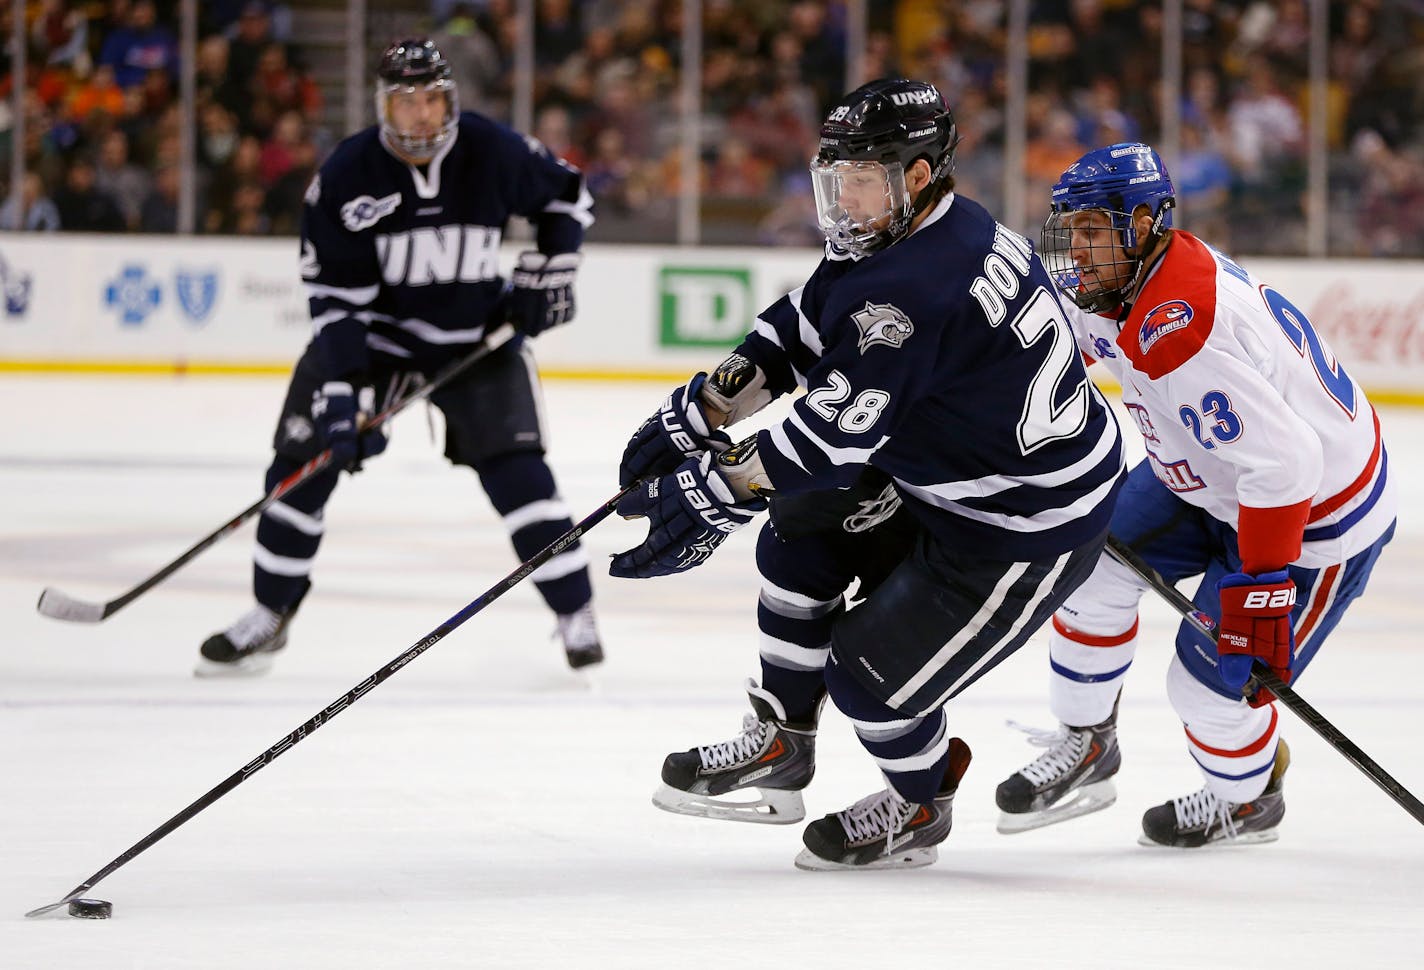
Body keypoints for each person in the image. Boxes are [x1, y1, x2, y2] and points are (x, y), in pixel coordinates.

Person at [610, 78, 1126, 870]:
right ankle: (782, 741)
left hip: (1022, 529)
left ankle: (922, 801)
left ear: (918, 174)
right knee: (800, 529)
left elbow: (823, 440)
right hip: (951, 479)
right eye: (837, 178)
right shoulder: (911, 232)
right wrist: (699, 412)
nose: (842, 200)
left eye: (860, 180)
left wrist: (706, 491)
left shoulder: (920, 284)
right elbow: (804, 325)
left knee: (870, 683)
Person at [995, 143, 1396, 847]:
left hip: (1313, 520)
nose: (1077, 249)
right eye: (1072, 229)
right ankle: (1089, 742)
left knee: (1209, 688)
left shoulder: (1182, 326)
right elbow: (1060, 349)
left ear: (1144, 221)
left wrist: (1263, 587)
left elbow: (1288, 468)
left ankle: (1247, 801)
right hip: (1214, 475)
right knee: (1088, 572)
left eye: (1093, 229)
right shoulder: (1123, 278)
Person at [197, 38, 603, 676]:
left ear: (451, 99)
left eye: (433, 98)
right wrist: (342, 396)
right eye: (407, 101)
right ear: (384, 105)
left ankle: (576, 613)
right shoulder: (348, 174)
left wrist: (548, 276)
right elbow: (334, 298)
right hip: (378, 346)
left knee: (521, 478)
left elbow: (568, 198)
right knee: (297, 474)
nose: (422, 114)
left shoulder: (492, 149)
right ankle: (269, 614)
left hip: (478, 340)